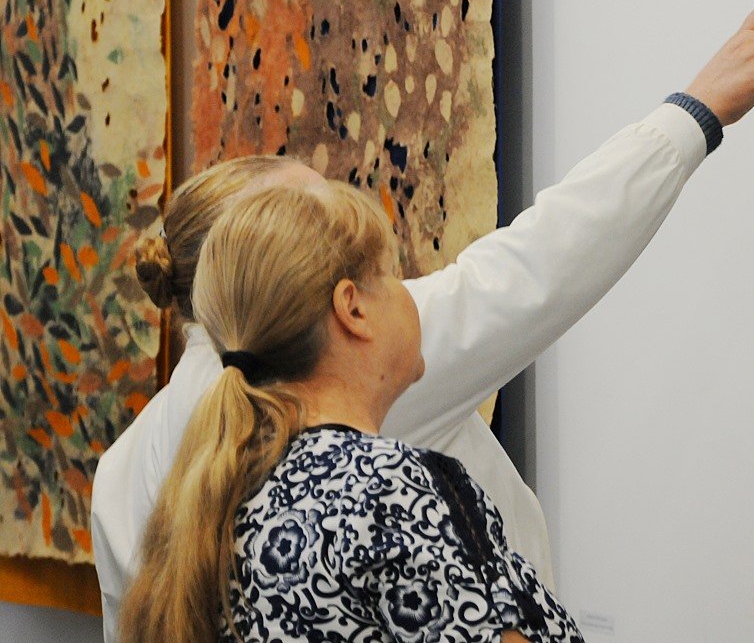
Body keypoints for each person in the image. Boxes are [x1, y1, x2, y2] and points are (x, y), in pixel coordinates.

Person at [91, 0, 754, 639]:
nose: (406, 283)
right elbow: (536, 265)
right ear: (338, 302)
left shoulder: (128, 474)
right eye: (325, 229)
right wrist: (694, 113)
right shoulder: (378, 448)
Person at [118, 181, 583, 641]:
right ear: (353, 309)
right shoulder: (392, 490)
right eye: (390, 274)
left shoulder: (224, 492)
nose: (406, 291)